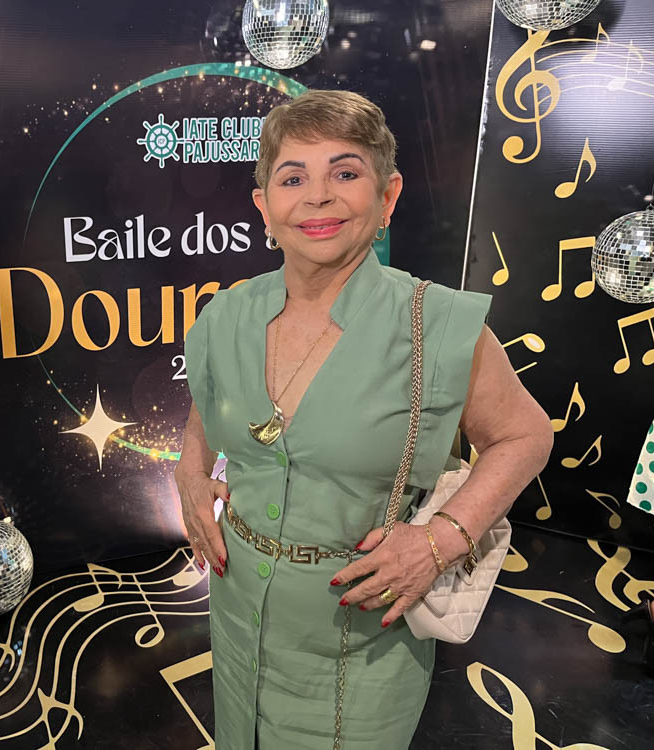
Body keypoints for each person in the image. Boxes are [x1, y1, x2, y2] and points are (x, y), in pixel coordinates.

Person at [173, 89, 553, 749]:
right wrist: (189, 465)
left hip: (364, 644)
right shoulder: (225, 314)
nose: (318, 197)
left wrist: (441, 541)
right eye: (293, 178)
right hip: (238, 617)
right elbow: (211, 397)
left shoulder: (437, 324)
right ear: (264, 206)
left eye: (345, 173)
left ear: (387, 196)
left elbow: (526, 436)